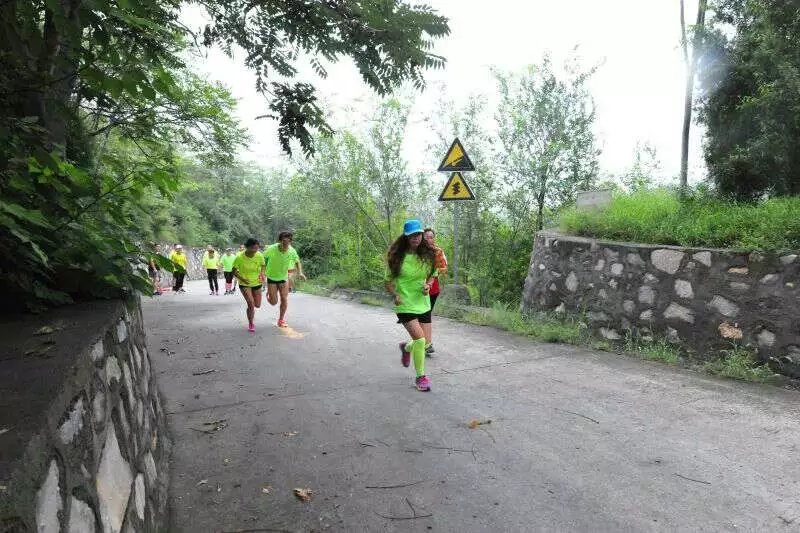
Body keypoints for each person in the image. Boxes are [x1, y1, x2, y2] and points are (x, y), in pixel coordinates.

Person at [385, 219, 438, 392]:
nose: (416, 238)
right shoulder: (397, 258)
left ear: (422, 235)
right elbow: (388, 282)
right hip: (405, 304)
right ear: (406, 237)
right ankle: (420, 377)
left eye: (418, 234)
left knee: (424, 343)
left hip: (423, 303)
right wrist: (395, 295)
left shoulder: (427, 256)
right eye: (412, 235)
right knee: (420, 340)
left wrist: (428, 285)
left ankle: (406, 348)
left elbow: (433, 275)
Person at [263, 231, 306, 328]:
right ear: (280, 241)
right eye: (284, 242)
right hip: (272, 277)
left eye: (288, 242)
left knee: (284, 298)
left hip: (283, 277)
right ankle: (269, 295)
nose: (286, 244)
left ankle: (281, 320)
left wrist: (300, 272)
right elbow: (263, 260)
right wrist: (262, 273)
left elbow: (297, 261)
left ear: (290, 242)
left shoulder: (292, 250)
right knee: (273, 302)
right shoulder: (271, 249)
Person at [232, 238, 266, 333]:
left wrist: (262, 274)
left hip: (257, 282)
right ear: (247, 247)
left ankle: (251, 309)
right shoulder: (239, 257)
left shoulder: (259, 255)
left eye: (257, 248)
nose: (255, 250)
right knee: (251, 303)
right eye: (253, 248)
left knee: (257, 305)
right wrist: (242, 279)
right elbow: (233, 271)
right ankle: (251, 323)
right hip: (244, 284)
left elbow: (263, 265)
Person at [423, 228, 448, 355]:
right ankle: (426, 343)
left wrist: (434, 272)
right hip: (418, 288)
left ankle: (423, 342)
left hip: (433, 289)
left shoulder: (438, 251)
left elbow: (444, 267)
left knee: (426, 314)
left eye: (431, 237)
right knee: (423, 315)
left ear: (434, 238)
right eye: (426, 237)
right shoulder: (417, 252)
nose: (429, 239)